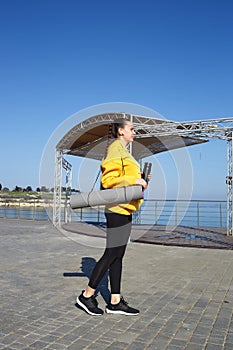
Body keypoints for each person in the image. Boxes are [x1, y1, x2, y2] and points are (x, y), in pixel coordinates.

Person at [76, 118, 150, 316]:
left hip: (126, 208)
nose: (135, 132)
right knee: (111, 254)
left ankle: (115, 301)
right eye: (132, 129)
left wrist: (141, 180)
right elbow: (108, 180)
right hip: (117, 209)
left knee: (118, 255)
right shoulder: (115, 149)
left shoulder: (124, 152)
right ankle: (86, 296)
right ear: (120, 131)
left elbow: (124, 180)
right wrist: (134, 179)